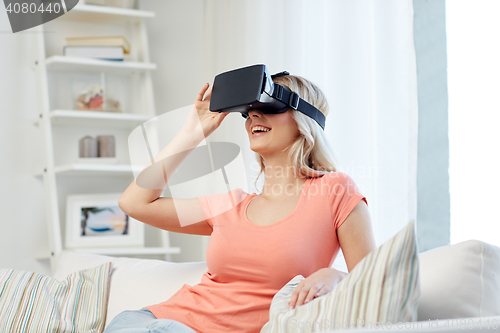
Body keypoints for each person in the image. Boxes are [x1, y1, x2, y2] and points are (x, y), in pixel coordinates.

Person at [106, 74, 377, 333]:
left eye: (268, 105)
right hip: (149, 322)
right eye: (248, 112)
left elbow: (374, 285)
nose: (253, 116)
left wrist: (338, 278)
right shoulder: (230, 205)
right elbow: (134, 203)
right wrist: (192, 133)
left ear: (303, 118)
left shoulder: (334, 191)